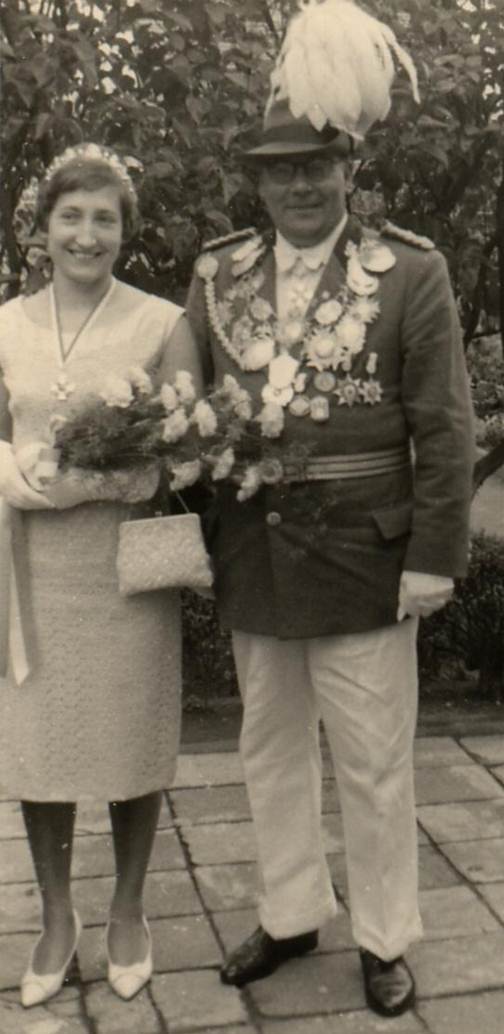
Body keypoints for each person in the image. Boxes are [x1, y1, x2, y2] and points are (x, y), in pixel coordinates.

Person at [186, 0, 474, 1018]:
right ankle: (291, 910)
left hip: (367, 557)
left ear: (350, 166)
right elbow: (191, 409)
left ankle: (386, 936)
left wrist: (434, 554)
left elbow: (443, 427)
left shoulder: (411, 273)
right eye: (280, 170)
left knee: (374, 761)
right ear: (257, 180)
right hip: (257, 556)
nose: (299, 186)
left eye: (317, 166)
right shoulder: (217, 274)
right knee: (268, 748)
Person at [0, 143, 202, 1007]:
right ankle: (57, 917)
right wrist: (8, 469)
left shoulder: (160, 322)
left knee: (129, 736)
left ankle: (126, 909)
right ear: (42, 228)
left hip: (124, 567)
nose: (87, 235)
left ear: (126, 230)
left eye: (105, 219)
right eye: (71, 217)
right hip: (32, 570)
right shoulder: (6, 323)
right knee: (38, 744)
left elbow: (188, 450)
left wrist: (98, 481)